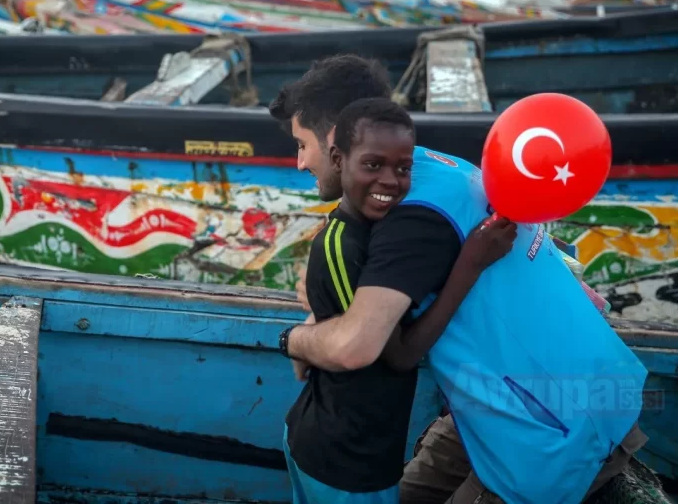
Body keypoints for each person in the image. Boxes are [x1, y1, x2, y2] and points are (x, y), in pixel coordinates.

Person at [271, 55, 649, 504]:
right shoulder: (442, 168)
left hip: (549, 429)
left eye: (302, 144)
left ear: (336, 138)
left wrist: (292, 339)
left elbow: (357, 346)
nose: (299, 163)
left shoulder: (411, 220)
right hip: (569, 391)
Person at [281, 97, 517, 503]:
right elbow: (398, 354)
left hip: (355, 450)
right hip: (345, 459)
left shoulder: (368, 233)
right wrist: (470, 263)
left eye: (403, 168)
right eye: (373, 165)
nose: (390, 181)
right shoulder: (342, 246)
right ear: (338, 159)